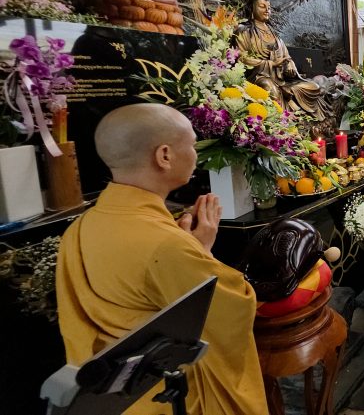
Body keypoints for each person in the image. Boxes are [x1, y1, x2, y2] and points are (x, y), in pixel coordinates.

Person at [56, 104, 268, 415]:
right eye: (193, 144)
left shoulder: (79, 229)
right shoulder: (167, 245)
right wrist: (202, 251)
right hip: (166, 394)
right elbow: (232, 309)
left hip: (114, 397)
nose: (196, 154)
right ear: (164, 156)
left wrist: (188, 247)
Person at [233, 0, 331, 122]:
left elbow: (286, 56)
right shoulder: (244, 31)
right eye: (262, 6)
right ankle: (282, 125)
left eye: (269, 7)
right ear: (251, 8)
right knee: (269, 88)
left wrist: (289, 64)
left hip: (282, 78)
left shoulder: (274, 34)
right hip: (260, 77)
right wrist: (271, 64)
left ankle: (298, 113)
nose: (267, 10)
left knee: (313, 86)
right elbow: (241, 58)